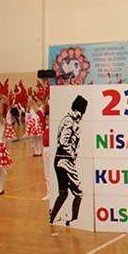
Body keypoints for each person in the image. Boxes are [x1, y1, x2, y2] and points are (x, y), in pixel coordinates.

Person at [49, 95, 88, 226]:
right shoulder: (69, 121)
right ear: (77, 110)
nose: (81, 116)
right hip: (65, 159)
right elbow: (63, 141)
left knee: (63, 193)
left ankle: (52, 218)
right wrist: (72, 153)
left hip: (60, 159)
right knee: (79, 192)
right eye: (81, 113)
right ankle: (74, 220)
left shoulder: (70, 121)